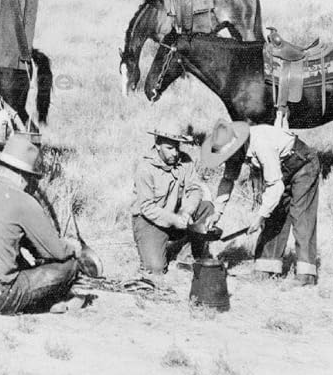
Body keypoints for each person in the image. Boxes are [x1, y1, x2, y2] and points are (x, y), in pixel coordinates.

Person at [0, 133, 93, 315]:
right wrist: (74, 248)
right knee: (69, 267)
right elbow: (57, 252)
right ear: (23, 176)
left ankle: (43, 301)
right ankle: (51, 300)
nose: (31, 184)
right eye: (31, 178)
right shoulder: (23, 201)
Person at [196, 118, 321, 285]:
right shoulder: (235, 150)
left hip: (302, 164)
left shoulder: (261, 144)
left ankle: (306, 276)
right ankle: (266, 269)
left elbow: (275, 186)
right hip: (280, 169)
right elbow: (227, 180)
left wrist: (260, 216)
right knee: (275, 216)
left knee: (301, 216)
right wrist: (217, 212)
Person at [132, 127, 213, 280]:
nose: (175, 153)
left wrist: (186, 211)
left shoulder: (186, 161)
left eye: (177, 147)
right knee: (155, 269)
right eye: (169, 148)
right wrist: (175, 220)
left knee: (206, 208)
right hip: (149, 221)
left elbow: (195, 189)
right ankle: (152, 245)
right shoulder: (145, 168)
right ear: (157, 145)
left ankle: (186, 255)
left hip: (178, 215)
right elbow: (147, 208)